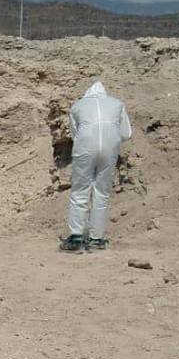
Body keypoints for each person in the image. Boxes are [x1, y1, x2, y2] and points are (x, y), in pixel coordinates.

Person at [62, 82, 132, 253]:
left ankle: (76, 238)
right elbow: (126, 133)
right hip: (110, 149)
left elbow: (75, 133)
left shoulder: (78, 106)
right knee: (102, 192)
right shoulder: (117, 104)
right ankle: (96, 239)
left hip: (85, 148)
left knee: (80, 189)